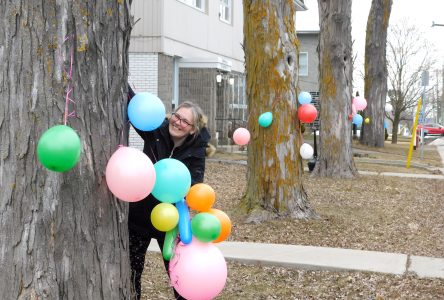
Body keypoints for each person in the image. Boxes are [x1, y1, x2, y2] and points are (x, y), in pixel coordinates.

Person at [127, 86, 211, 300]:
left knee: (178, 272)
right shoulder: (156, 131)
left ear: (193, 129)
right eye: (177, 116)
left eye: (185, 121)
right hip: (139, 217)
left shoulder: (196, 151)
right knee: (132, 273)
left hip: (171, 223)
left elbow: (194, 185)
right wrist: (125, 86)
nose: (178, 122)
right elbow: (136, 108)